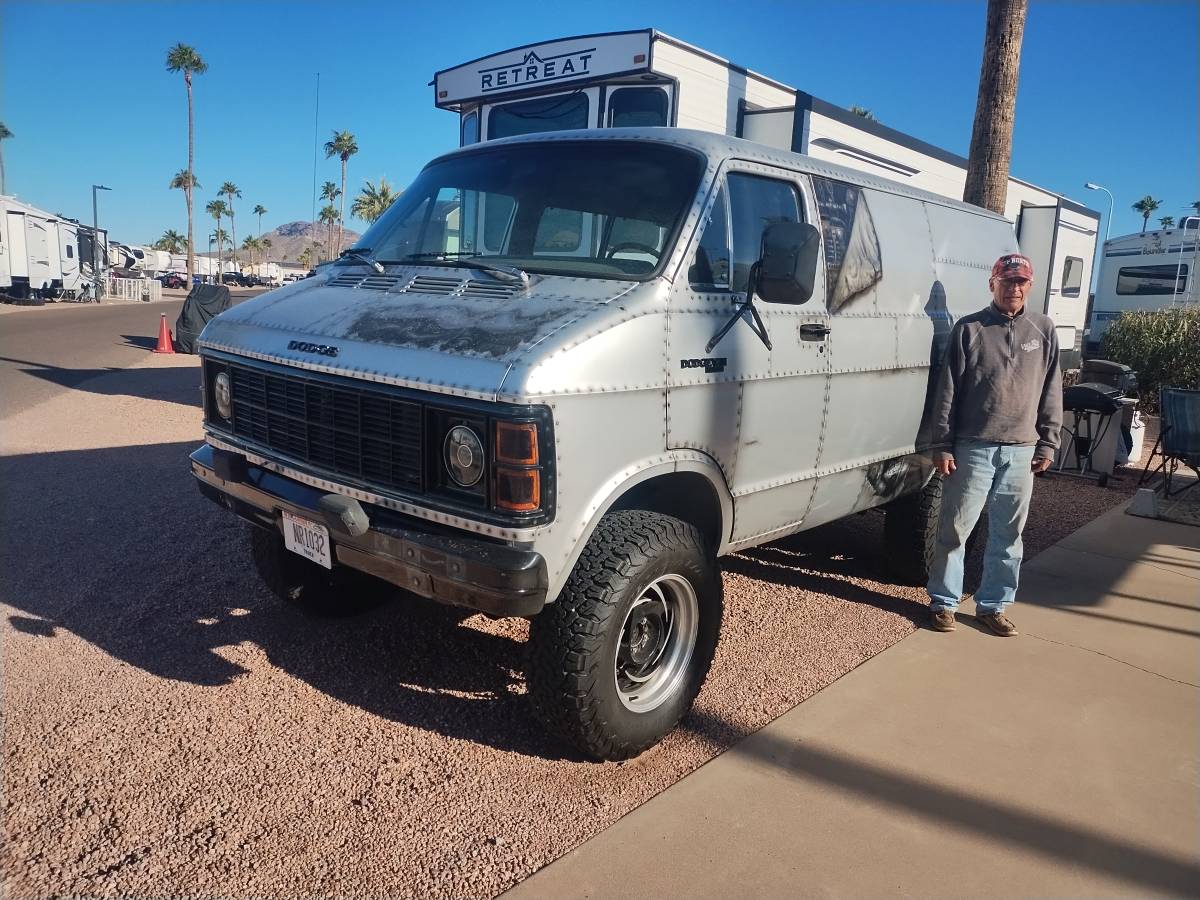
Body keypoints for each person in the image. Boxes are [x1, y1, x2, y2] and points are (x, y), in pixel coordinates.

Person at [925, 252, 1063, 636]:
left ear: (1030, 286)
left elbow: (1052, 390)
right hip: (973, 447)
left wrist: (1048, 442)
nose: (1014, 288)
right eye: (1007, 281)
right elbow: (947, 392)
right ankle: (943, 603)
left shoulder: (1044, 329)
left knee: (1008, 534)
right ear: (993, 284)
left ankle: (993, 605)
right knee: (955, 529)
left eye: (1021, 282)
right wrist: (943, 444)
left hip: (1022, 450)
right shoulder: (969, 329)